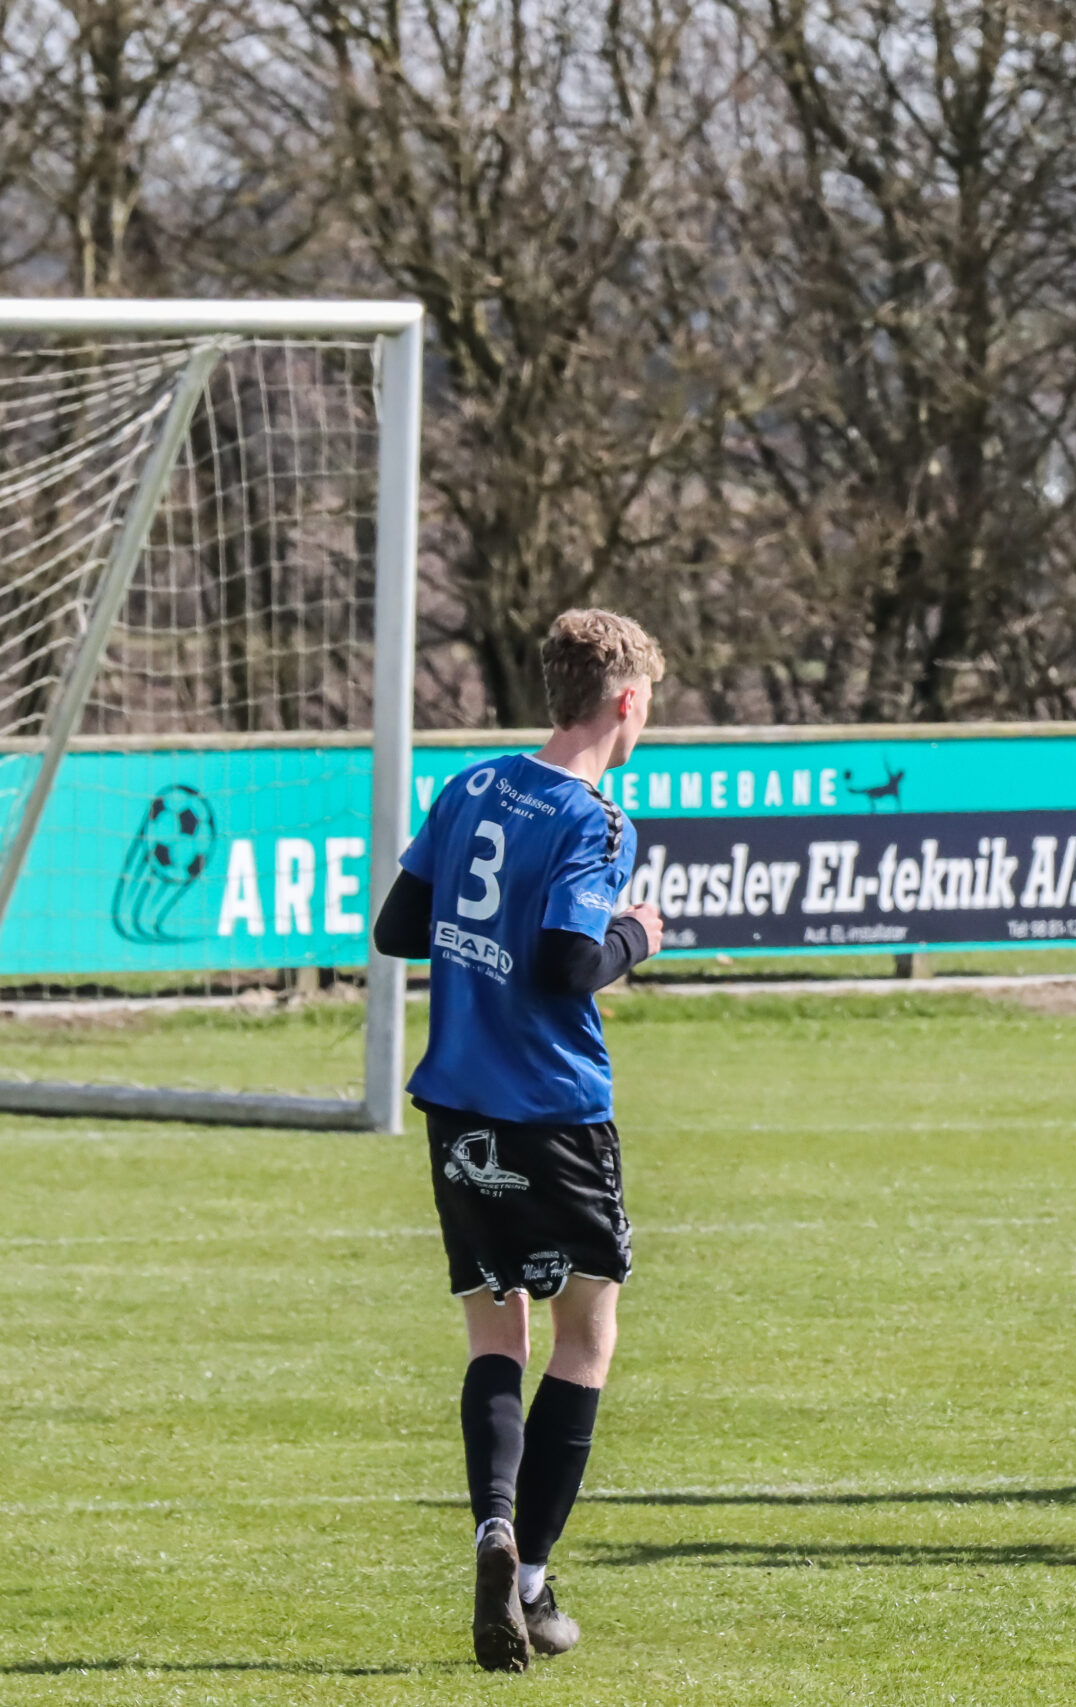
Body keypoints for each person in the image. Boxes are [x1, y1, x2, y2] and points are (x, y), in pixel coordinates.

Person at [372, 609, 667, 1669]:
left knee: (497, 1334)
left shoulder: (470, 786)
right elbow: (562, 965)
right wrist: (638, 935)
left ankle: (493, 1525)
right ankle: (531, 1578)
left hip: (458, 1103)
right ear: (625, 699)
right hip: (554, 1110)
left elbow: (397, 931)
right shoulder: (595, 819)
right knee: (587, 1335)